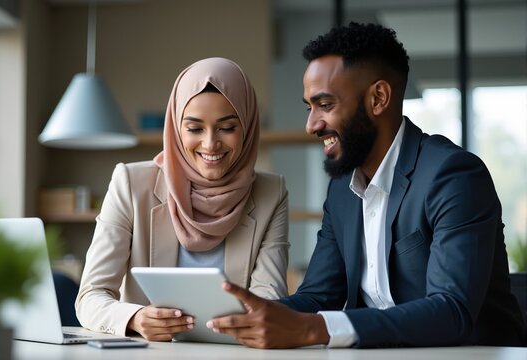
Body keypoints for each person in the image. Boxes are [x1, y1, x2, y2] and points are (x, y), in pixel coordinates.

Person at [207, 22, 526, 348]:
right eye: (309, 107)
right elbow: (318, 296)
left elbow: (452, 311)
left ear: (378, 98)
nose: (311, 125)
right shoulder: (342, 189)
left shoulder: (454, 176)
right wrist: (222, 319)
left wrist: (317, 329)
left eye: (325, 105)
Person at [75, 57, 289, 341]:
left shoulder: (270, 193)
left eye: (227, 128)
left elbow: (269, 300)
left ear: (247, 128)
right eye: (194, 128)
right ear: (176, 128)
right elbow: (91, 296)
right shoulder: (131, 183)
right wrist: (135, 318)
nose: (210, 143)